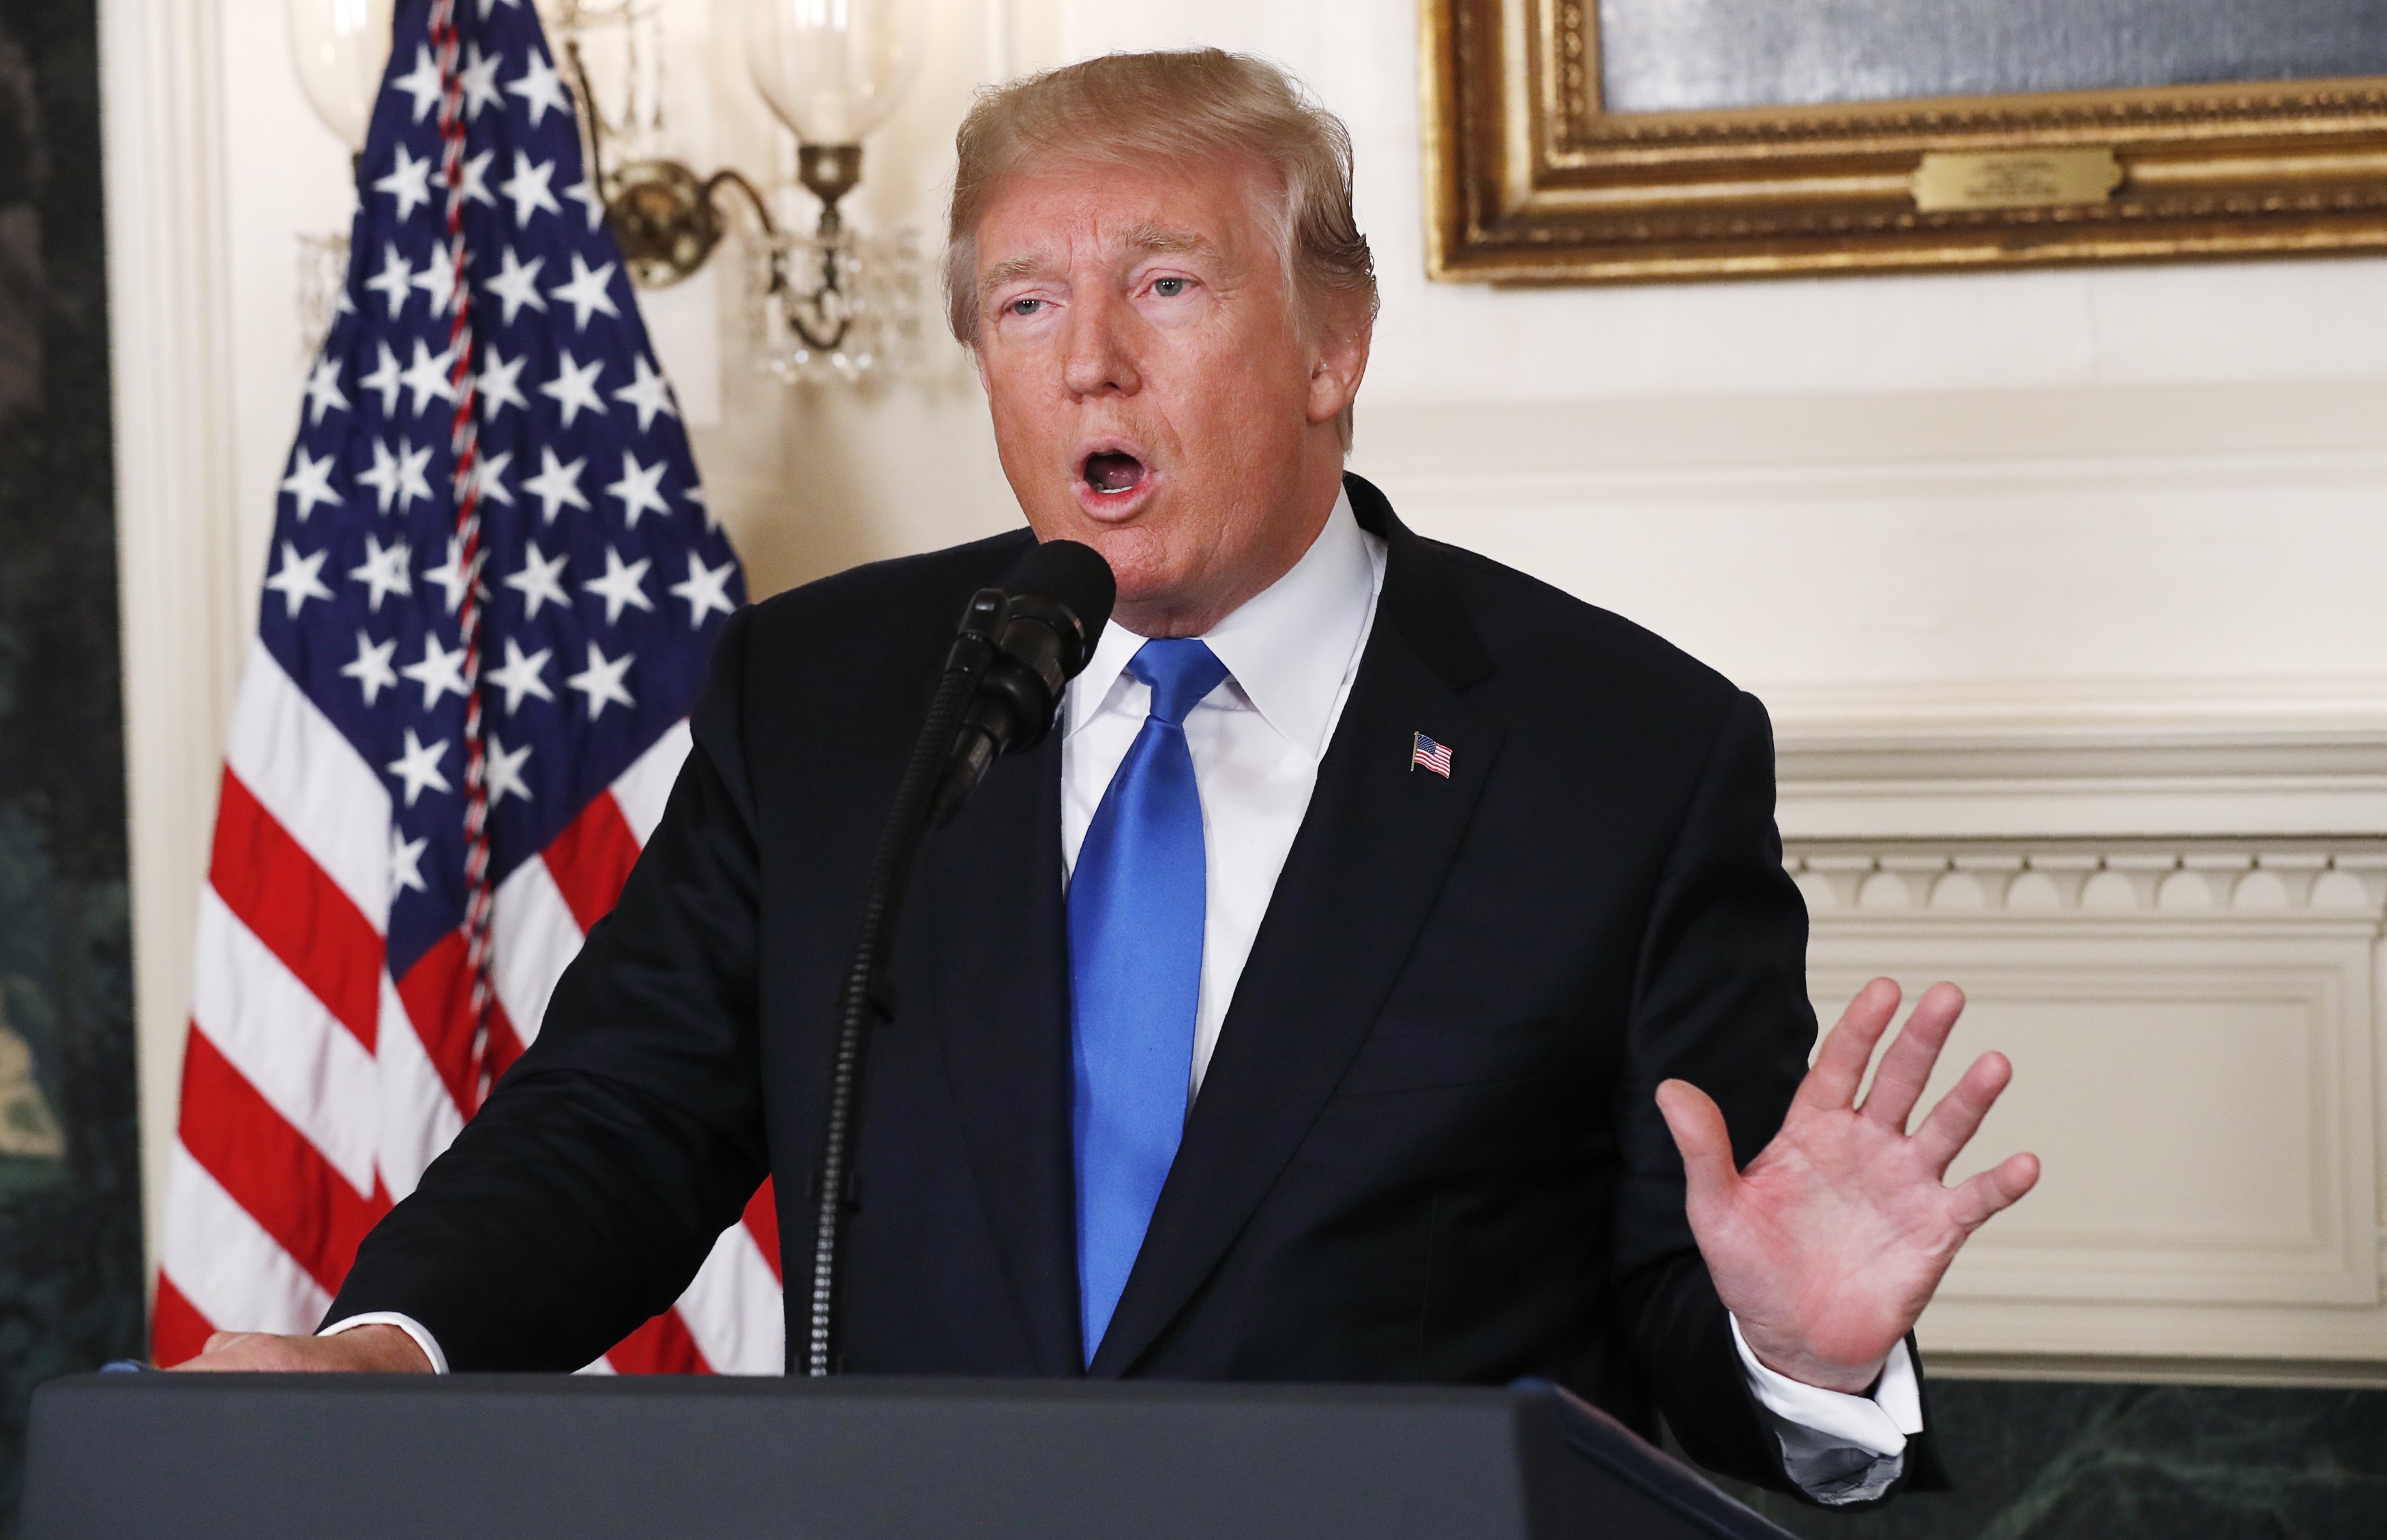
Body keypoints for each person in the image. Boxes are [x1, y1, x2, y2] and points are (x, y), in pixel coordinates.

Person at [182, 49, 2038, 1509]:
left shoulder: (1618, 750)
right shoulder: (828, 695)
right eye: (1021, 306)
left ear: (1333, 344)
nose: (1089, 365)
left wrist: (1788, 1347)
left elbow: (1680, 1294)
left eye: (1165, 285)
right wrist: (389, 1346)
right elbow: (623, 1117)